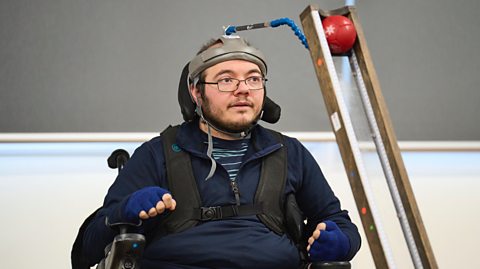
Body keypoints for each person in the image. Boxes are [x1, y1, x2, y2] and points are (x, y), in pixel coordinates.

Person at [82, 35, 361, 269]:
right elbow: (84, 252)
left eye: (253, 79)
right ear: (195, 91)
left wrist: (340, 242)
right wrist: (123, 212)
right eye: (226, 80)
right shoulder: (158, 154)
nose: (243, 90)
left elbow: (339, 223)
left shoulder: (289, 152)